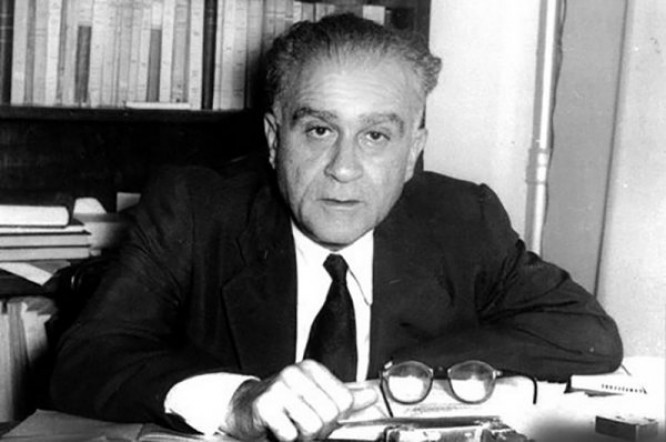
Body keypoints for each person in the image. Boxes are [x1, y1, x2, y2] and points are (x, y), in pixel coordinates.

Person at [50, 13, 622, 441]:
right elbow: (83, 362)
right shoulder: (198, 210)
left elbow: (587, 334)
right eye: (319, 130)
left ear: (412, 152)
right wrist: (238, 402)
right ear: (274, 139)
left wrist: (405, 376)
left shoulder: (461, 218)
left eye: (376, 136)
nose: (344, 168)